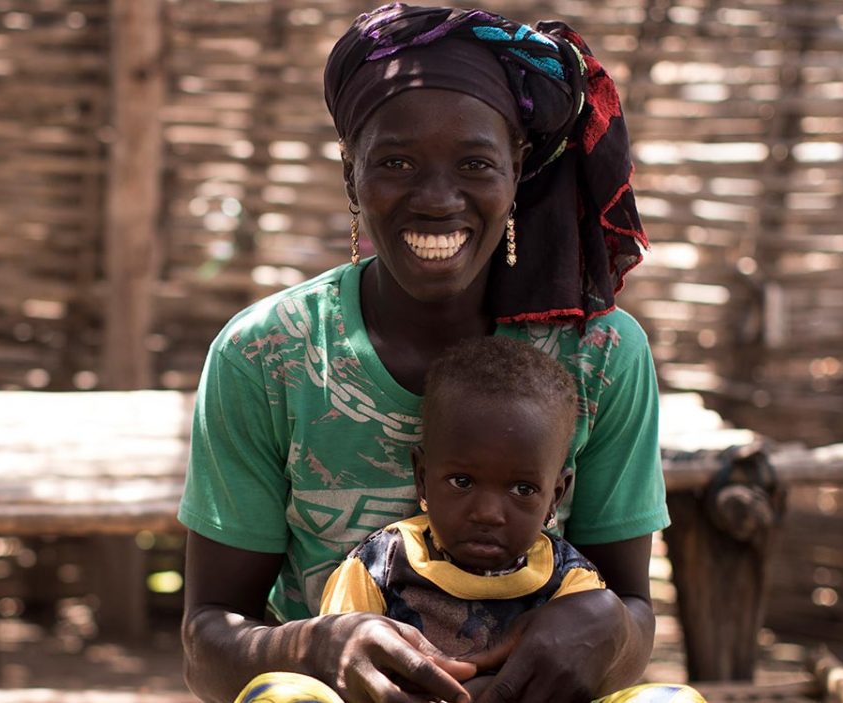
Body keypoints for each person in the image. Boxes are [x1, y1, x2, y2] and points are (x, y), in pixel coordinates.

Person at [178, 4, 667, 703]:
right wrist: (316, 646)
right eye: (397, 162)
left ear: (517, 170)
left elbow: (633, 617)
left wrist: (609, 629)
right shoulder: (269, 355)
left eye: (474, 163)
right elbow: (206, 645)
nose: (438, 199)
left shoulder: (599, 354)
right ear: (351, 177)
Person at [311, 337, 700, 703]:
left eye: (523, 490)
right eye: (462, 481)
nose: (488, 513)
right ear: (422, 477)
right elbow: (341, 666)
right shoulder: (380, 568)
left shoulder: (571, 584)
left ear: (556, 496)